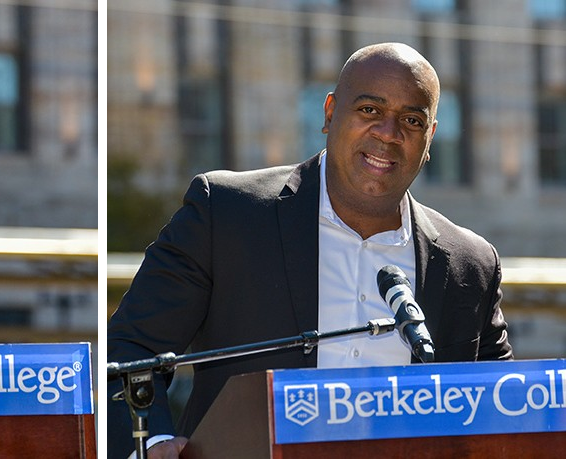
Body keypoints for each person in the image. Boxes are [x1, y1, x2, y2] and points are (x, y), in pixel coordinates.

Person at [106, 42, 513, 459]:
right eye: (369, 110)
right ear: (330, 112)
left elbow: (504, 413)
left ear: (429, 139)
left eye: (411, 120)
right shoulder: (226, 213)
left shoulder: (471, 264)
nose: (388, 134)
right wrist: (152, 443)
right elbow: (131, 349)